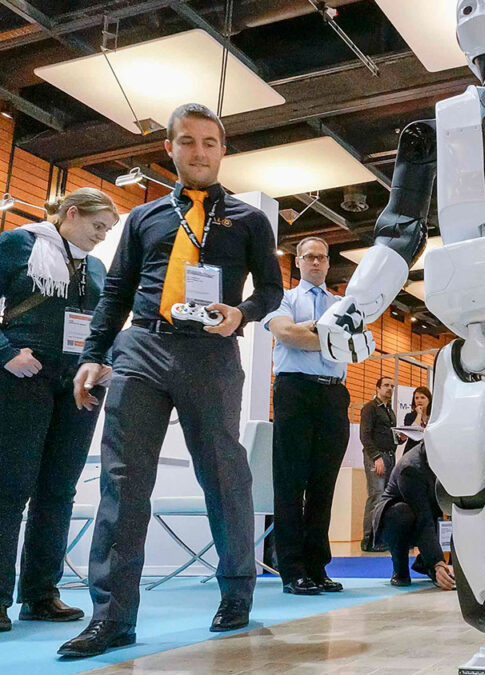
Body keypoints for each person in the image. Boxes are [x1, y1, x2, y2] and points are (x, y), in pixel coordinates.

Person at [58, 103, 283, 657]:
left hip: (212, 353)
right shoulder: (144, 218)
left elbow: (272, 291)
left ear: (222, 150)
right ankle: (111, 617)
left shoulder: (250, 220)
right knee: (123, 481)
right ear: (170, 149)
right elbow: (115, 293)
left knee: (224, 475)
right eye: (187, 142)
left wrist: (243, 314)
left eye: (210, 143)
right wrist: (93, 353)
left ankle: (236, 594)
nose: (199, 152)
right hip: (142, 350)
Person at [0, 189, 119, 633]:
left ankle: (40, 594)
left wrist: (104, 360)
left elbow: (105, 323)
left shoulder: (97, 267)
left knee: (59, 490)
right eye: (98, 226)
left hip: (78, 384)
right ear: (71, 214)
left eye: (108, 229)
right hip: (22, 375)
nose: (103, 236)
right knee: (10, 488)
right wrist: (5, 352)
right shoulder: (18, 244)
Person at [262, 236, 349, 596]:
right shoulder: (282, 298)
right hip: (294, 391)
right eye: (309, 256)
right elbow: (285, 333)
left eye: (322, 257)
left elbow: (356, 346)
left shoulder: (342, 303)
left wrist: (308, 332)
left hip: (333, 393)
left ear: (329, 263)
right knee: (290, 483)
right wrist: (330, 336)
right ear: (297, 261)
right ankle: (291, 569)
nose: (316, 262)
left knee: (322, 486)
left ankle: (317, 567)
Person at [370, 442, 454, 591]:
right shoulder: (410, 468)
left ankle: (426, 564)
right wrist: (439, 562)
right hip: (395, 516)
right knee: (402, 513)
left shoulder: (447, 458)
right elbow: (423, 518)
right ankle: (400, 569)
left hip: (426, 510)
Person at [359, 376, 397, 552]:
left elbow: (390, 439)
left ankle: (381, 538)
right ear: (377, 388)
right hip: (377, 456)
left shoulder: (390, 411)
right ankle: (369, 539)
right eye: (386, 386)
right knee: (376, 495)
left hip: (389, 455)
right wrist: (376, 457)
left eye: (392, 386)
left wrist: (400, 439)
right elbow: (365, 436)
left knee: (386, 498)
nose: (389, 388)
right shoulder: (370, 408)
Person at [397, 385, 431, 455]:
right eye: (416, 398)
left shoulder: (434, 416)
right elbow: (413, 432)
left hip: (430, 452)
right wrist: (419, 414)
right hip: (412, 452)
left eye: (422, 397)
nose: (419, 400)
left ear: (429, 400)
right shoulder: (409, 416)